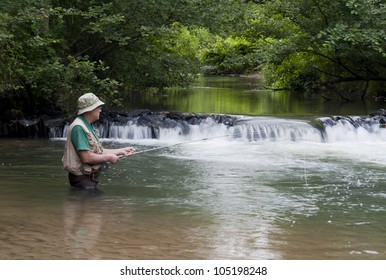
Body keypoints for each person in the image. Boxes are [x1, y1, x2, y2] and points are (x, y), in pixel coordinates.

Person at [63, 92, 135, 190]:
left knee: (96, 204)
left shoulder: (88, 125)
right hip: (81, 179)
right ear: (90, 110)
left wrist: (122, 151)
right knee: (96, 203)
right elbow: (86, 158)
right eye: (98, 107)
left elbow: (99, 151)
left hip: (87, 178)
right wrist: (108, 157)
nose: (100, 110)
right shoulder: (79, 128)